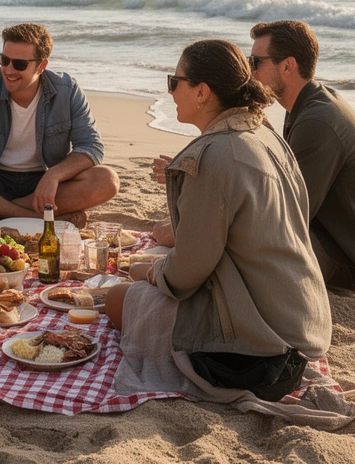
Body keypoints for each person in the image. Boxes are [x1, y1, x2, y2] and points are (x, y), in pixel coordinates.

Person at [106, 39, 331, 402]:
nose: (169, 90)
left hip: (257, 358)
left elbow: (186, 275)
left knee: (117, 298)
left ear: (202, 92)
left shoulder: (211, 157)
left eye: (173, 81)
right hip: (301, 331)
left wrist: (151, 273)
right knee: (138, 273)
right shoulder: (264, 134)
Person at [249, 20, 355, 291]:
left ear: (288, 66)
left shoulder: (318, 121)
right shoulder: (308, 103)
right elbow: (280, 176)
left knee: (252, 243)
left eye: (255, 62)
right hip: (348, 241)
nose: (250, 71)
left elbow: (288, 214)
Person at [0, 23, 118, 221]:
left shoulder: (67, 90)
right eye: (4, 60)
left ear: (42, 66)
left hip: (41, 181)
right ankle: (32, 216)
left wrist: (53, 176)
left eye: (19, 64)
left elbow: (91, 146)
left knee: (107, 180)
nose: (8, 70)